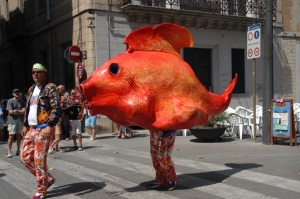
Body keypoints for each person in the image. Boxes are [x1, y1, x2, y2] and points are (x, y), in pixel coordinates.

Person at [20, 63, 61, 199]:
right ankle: (47, 179)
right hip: (32, 128)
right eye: (33, 72)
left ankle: (41, 189)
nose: (35, 75)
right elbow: (28, 108)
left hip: (44, 128)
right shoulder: (31, 89)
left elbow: (56, 108)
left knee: (39, 161)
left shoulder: (50, 88)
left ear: (45, 74)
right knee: (24, 158)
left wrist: (50, 125)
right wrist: (25, 124)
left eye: (38, 72)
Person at [6, 89, 26, 158]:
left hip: (20, 121)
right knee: (11, 136)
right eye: (15, 92)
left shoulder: (23, 102)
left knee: (19, 136)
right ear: (13, 94)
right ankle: (9, 151)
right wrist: (19, 111)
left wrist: (16, 111)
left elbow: (24, 111)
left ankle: (18, 150)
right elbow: (10, 112)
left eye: (18, 92)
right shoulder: (10, 101)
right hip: (12, 121)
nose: (17, 93)